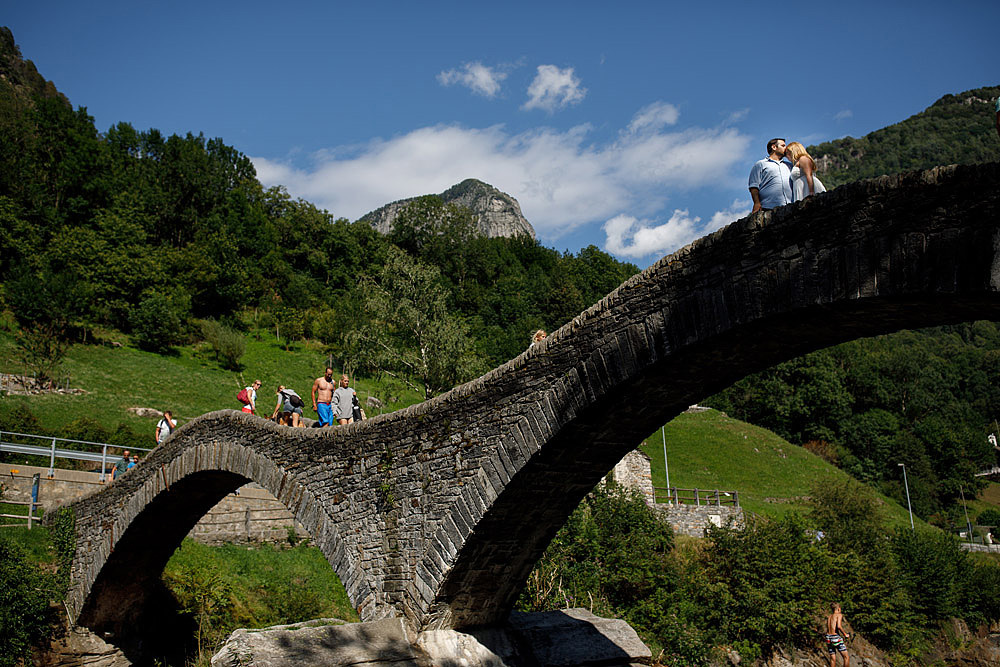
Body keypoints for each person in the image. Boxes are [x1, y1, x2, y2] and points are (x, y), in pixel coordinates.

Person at [748, 138, 793, 212]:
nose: (786, 148)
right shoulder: (760, 164)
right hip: (768, 207)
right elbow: (753, 186)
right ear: (774, 147)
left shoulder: (790, 165)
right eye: (783, 146)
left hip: (790, 206)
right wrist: (756, 203)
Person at [824, 602, 851, 667]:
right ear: (839, 609)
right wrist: (845, 634)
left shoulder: (829, 616)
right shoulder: (839, 615)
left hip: (828, 637)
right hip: (835, 637)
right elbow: (839, 626)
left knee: (832, 658)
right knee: (846, 657)